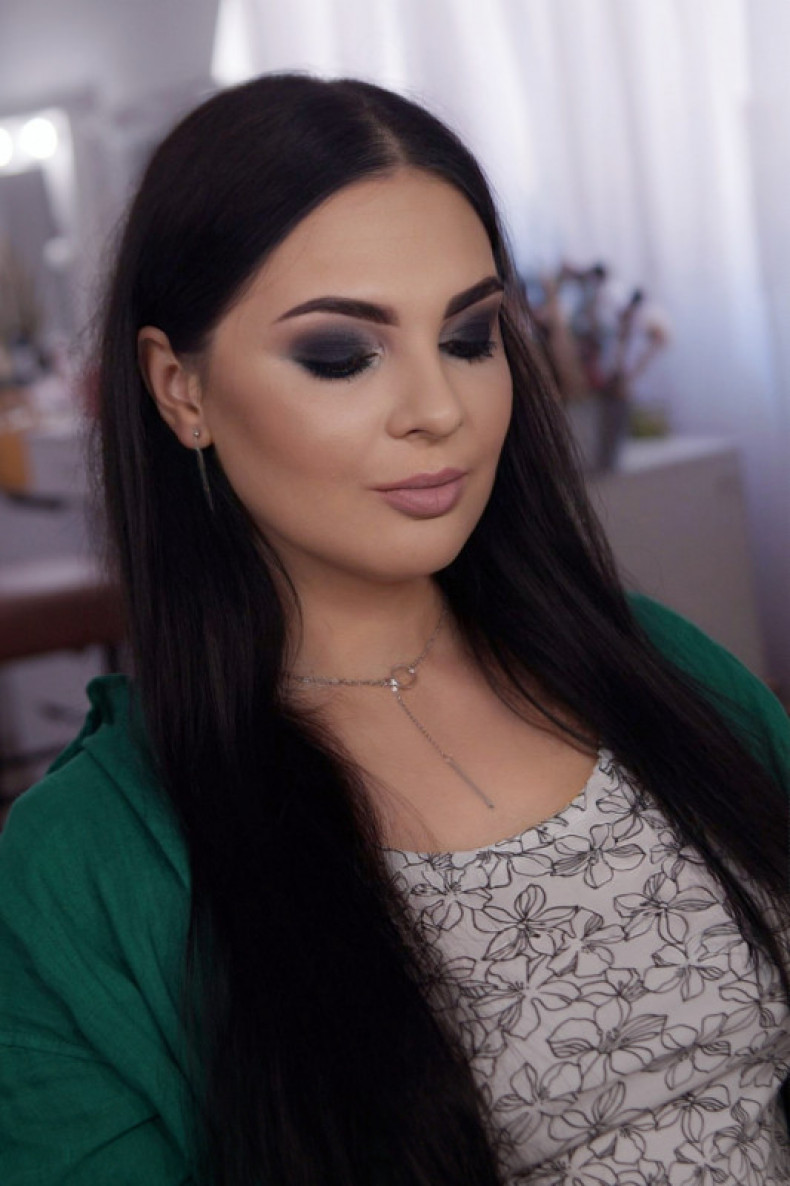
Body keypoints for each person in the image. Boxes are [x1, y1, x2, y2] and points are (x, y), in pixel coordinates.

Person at [0, 73, 788, 1186]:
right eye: (341, 355)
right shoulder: (75, 874)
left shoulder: (652, 666)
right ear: (180, 388)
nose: (440, 409)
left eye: (469, 337)